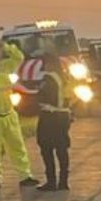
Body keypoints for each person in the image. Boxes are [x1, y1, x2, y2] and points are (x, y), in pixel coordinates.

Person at [0, 40, 38, 188]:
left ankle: (25, 175)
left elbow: (19, 57)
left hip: (9, 113)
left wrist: (6, 46)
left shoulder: (5, 66)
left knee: (17, 146)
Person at [36, 54, 72, 191]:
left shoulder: (48, 78)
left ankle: (51, 182)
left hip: (50, 116)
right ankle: (63, 182)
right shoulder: (65, 77)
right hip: (64, 115)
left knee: (46, 148)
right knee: (62, 149)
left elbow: (42, 96)